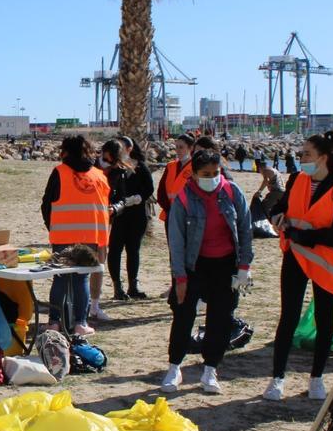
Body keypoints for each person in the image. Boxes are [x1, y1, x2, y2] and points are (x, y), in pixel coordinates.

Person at [264, 131, 333, 401]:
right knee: (289, 316)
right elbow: (278, 206)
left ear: (324, 157)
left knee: (325, 319)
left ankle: (316, 378)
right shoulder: (297, 180)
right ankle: (277, 378)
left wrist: (307, 237)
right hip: (295, 256)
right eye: (301, 153)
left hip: (326, 263)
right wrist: (277, 217)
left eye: (307, 153)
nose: (301, 157)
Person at [163, 148, 254, 394]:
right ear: (193, 174)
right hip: (195, 266)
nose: (212, 178)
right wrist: (180, 277)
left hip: (225, 265)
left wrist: (244, 266)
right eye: (205, 173)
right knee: (183, 314)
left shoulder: (232, 192)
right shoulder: (183, 199)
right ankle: (174, 367)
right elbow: (176, 241)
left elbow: (245, 230)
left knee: (220, 318)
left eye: (216, 172)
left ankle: (210, 370)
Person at [40, 135, 110, 336]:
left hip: (63, 234)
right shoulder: (99, 175)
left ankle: (54, 322)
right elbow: (104, 208)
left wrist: (52, 226)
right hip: (90, 236)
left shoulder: (60, 172)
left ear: (65, 151)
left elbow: (47, 204)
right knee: (82, 279)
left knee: (60, 278)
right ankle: (80, 323)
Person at [98, 138, 154, 304]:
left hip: (137, 214)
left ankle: (133, 286)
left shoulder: (140, 166)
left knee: (133, 250)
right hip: (118, 215)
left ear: (129, 148)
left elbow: (149, 188)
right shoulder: (113, 168)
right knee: (115, 249)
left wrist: (138, 198)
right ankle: (117, 287)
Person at [156, 134, 195, 226]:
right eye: (176, 147)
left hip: (188, 214)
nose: (178, 150)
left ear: (191, 148)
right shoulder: (170, 166)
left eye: (181, 147)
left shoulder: (196, 167)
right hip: (169, 212)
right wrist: (168, 209)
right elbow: (161, 190)